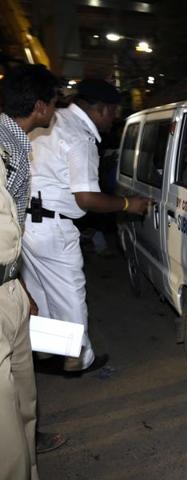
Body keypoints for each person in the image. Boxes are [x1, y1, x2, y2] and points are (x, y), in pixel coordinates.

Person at [21, 79, 150, 376]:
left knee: (42, 293)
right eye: (113, 112)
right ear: (100, 109)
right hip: (52, 227)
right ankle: (79, 359)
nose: (114, 118)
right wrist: (130, 205)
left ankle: (47, 354)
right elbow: (87, 198)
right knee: (69, 294)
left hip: (27, 222)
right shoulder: (79, 137)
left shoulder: (55, 121)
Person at [0, 63, 59, 480]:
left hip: (9, 288)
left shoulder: (15, 143)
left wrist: (19, 286)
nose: (57, 108)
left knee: (25, 404)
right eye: (54, 101)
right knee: (5, 430)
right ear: (39, 106)